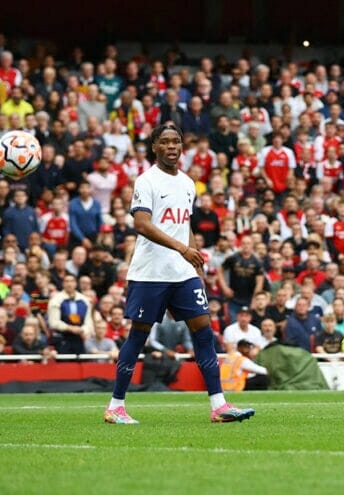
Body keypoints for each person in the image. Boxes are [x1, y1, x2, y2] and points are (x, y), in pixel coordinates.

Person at [103, 124, 254, 424]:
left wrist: (195, 266)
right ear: (155, 147)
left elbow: (186, 226)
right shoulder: (146, 181)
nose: (172, 146)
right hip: (150, 273)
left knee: (204, 329)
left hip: (182, 273)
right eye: (166, 142)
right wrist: (180, 249)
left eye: (177, 142)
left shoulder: (187, 183)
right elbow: (142, 224)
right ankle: (115, 406)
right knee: (139, 335)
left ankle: (219, 405)